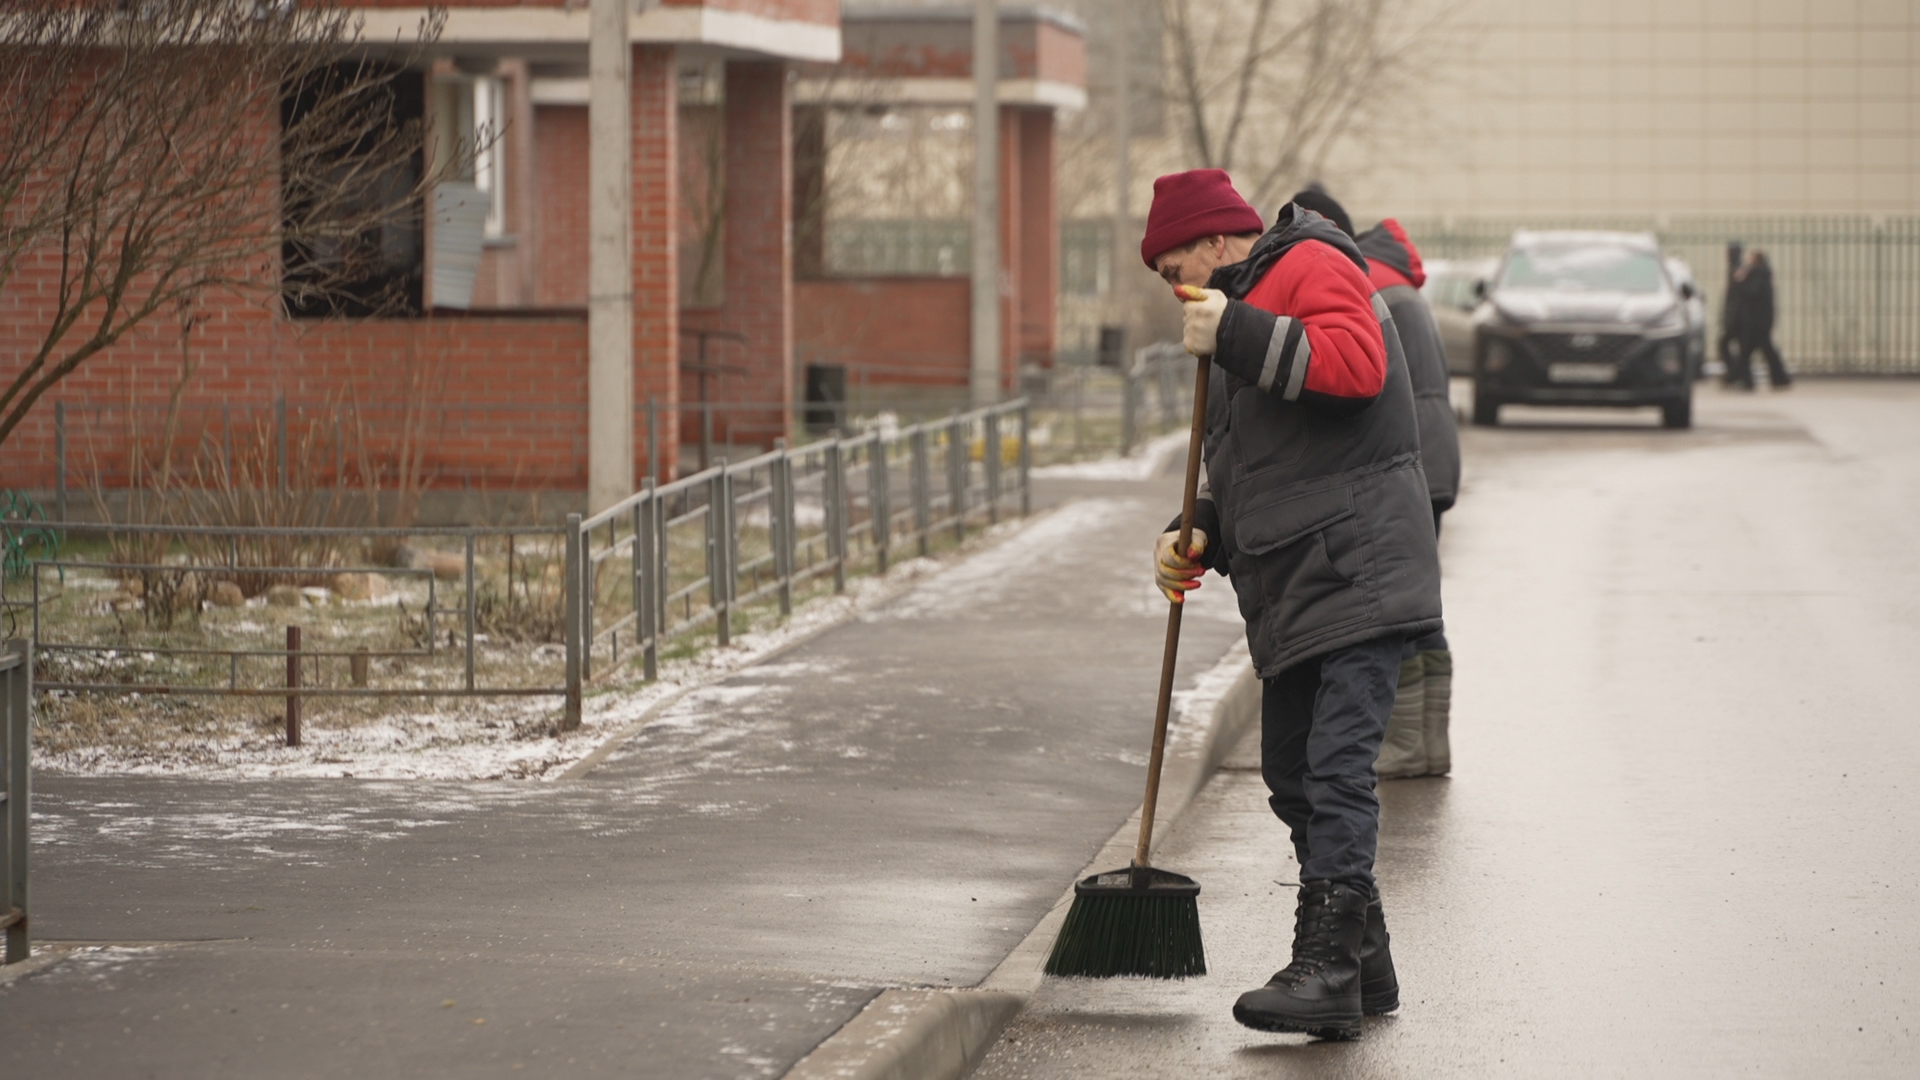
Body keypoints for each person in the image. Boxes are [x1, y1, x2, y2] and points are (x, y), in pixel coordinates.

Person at [1144, 169, 1442, 1037]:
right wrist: (1197, 528)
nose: (1174, 290)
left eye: (1174, 269)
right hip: (1297, 582)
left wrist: (1235, 331)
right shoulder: (1235, 315)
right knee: (1290, 772)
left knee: (1336, 771)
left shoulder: (1310, 261)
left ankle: (1327, 967)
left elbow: (1356, 367)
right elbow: (1255, 465)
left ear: (1214, 241)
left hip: (1358, 567)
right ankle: (1365, 966)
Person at [1730, 248, 1791, 390]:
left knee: (1749, 352)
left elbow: (1752, 292)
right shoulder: (1762, 273)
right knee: (1762, 352)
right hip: (1759, 321)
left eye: (1750, 257)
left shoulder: (1758, 273)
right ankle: (1778, 378)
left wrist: (1741, 280)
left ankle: (1748, 380)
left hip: (1756, 322)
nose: (1747, 260)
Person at [1717, 241, 1746, 386]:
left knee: (1725, 344)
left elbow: (1737, 297)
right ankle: (1737, 374)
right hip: (1735, 315)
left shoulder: (1738, 269)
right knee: (1739, 347)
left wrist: (1731, 316)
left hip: (1737, 317)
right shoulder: (1736, 268)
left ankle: (1735, 374)